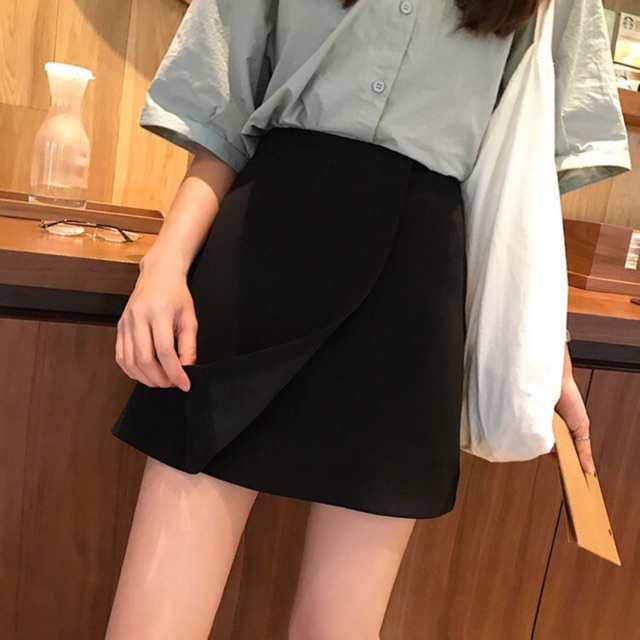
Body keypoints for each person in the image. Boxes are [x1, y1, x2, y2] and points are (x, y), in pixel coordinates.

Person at [106, 0, 630, 638]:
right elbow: (223, 111)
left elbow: (530, 173)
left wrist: (548, 344)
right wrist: (165, 262)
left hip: (417, 285)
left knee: (341, 627)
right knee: (154, 624)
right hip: (261, 250)